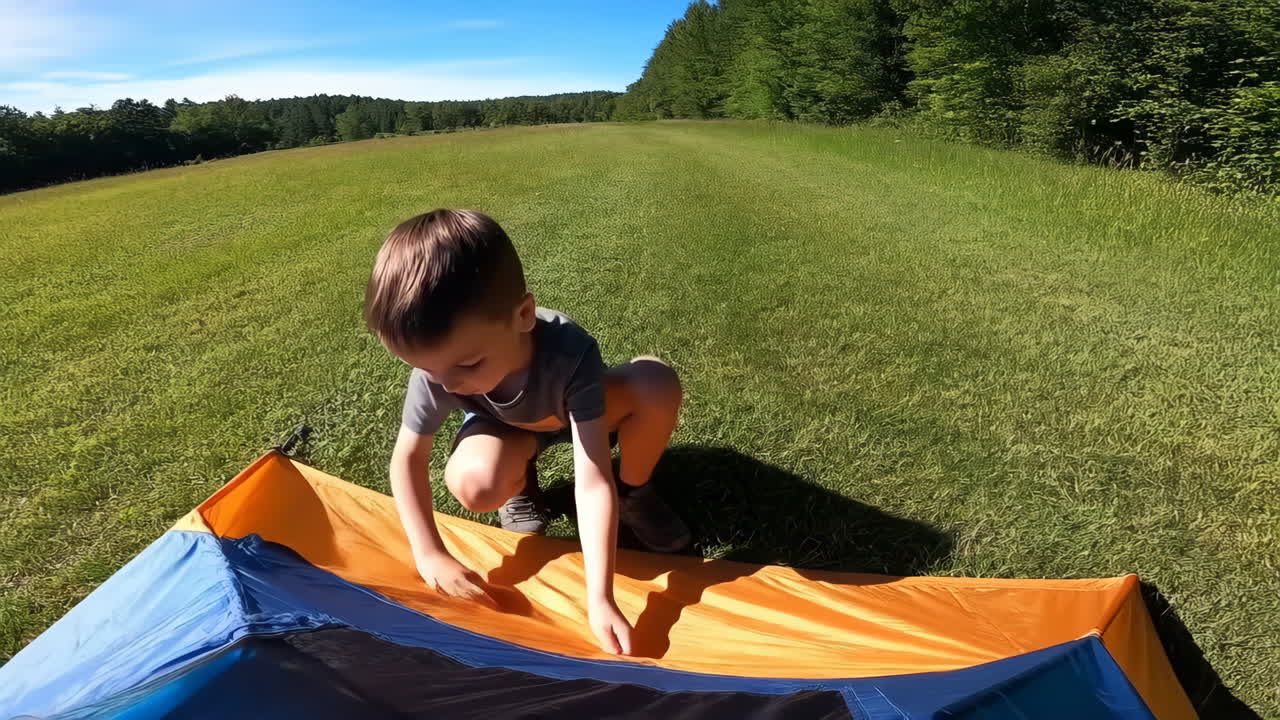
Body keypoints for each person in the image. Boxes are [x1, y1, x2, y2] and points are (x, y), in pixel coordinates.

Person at [364, 208, 690, 655]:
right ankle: (521, 482)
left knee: (654, 386)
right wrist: (429, 553)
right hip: (506, 429)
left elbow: (591, 478)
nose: (447, 384)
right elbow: (407, 458)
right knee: (475, 484)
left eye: (468, 365)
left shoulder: (569, 352)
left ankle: (635, 491)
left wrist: (600, 596)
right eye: (425, 370)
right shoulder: (442, 369)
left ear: (523, 314)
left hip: (574, 415)